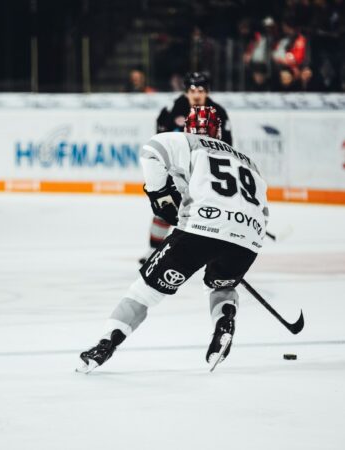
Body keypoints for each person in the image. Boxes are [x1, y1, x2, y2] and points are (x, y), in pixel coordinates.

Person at [78, 106, 269, 373]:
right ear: (219, 130)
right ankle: (224, 322)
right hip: (248, 238)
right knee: (221, 287)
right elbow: (262, 210)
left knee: (143, 292)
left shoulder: (187, 141)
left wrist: (158, 193)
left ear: (188, 127)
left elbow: (152, 150)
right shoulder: (249, 162)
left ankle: (105, 345)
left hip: (202, 229)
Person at [149, 72, 233, 262]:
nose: (196, 94)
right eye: (192, 90)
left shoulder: (218, 112)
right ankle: (152, 251)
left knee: (209, 214)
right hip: (177, 171)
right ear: (186, 92)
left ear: (207, 92)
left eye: (201, 90)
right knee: (165, 208)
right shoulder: (172, 109)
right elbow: (161, 140)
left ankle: (212, 255)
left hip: (208, 173)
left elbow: (227, 148)